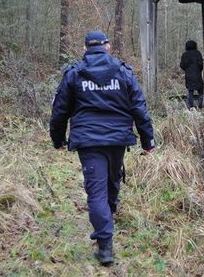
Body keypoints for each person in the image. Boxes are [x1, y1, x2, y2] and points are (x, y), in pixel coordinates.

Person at [49, 30, 155, 266]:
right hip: (117, 139)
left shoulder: (74, 74)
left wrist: (57, 139)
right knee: (111, 180)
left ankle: (105, 231)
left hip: (89, 141)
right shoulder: (123, 72)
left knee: (97, 190)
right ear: (106, 46)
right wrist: (148, 141)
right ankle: (105, 242)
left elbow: (60, 111)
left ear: (86, 47)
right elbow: (139, 107)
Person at [180, 40, 204, 108]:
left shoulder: (185, 55)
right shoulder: (198, 53)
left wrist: (187, 70)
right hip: (197, 75)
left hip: (188, 76)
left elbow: (182, 65)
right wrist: (198, 70)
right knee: (200, 90)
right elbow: (201, 64)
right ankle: (200, 105)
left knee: (190, 91)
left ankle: (191, 107)